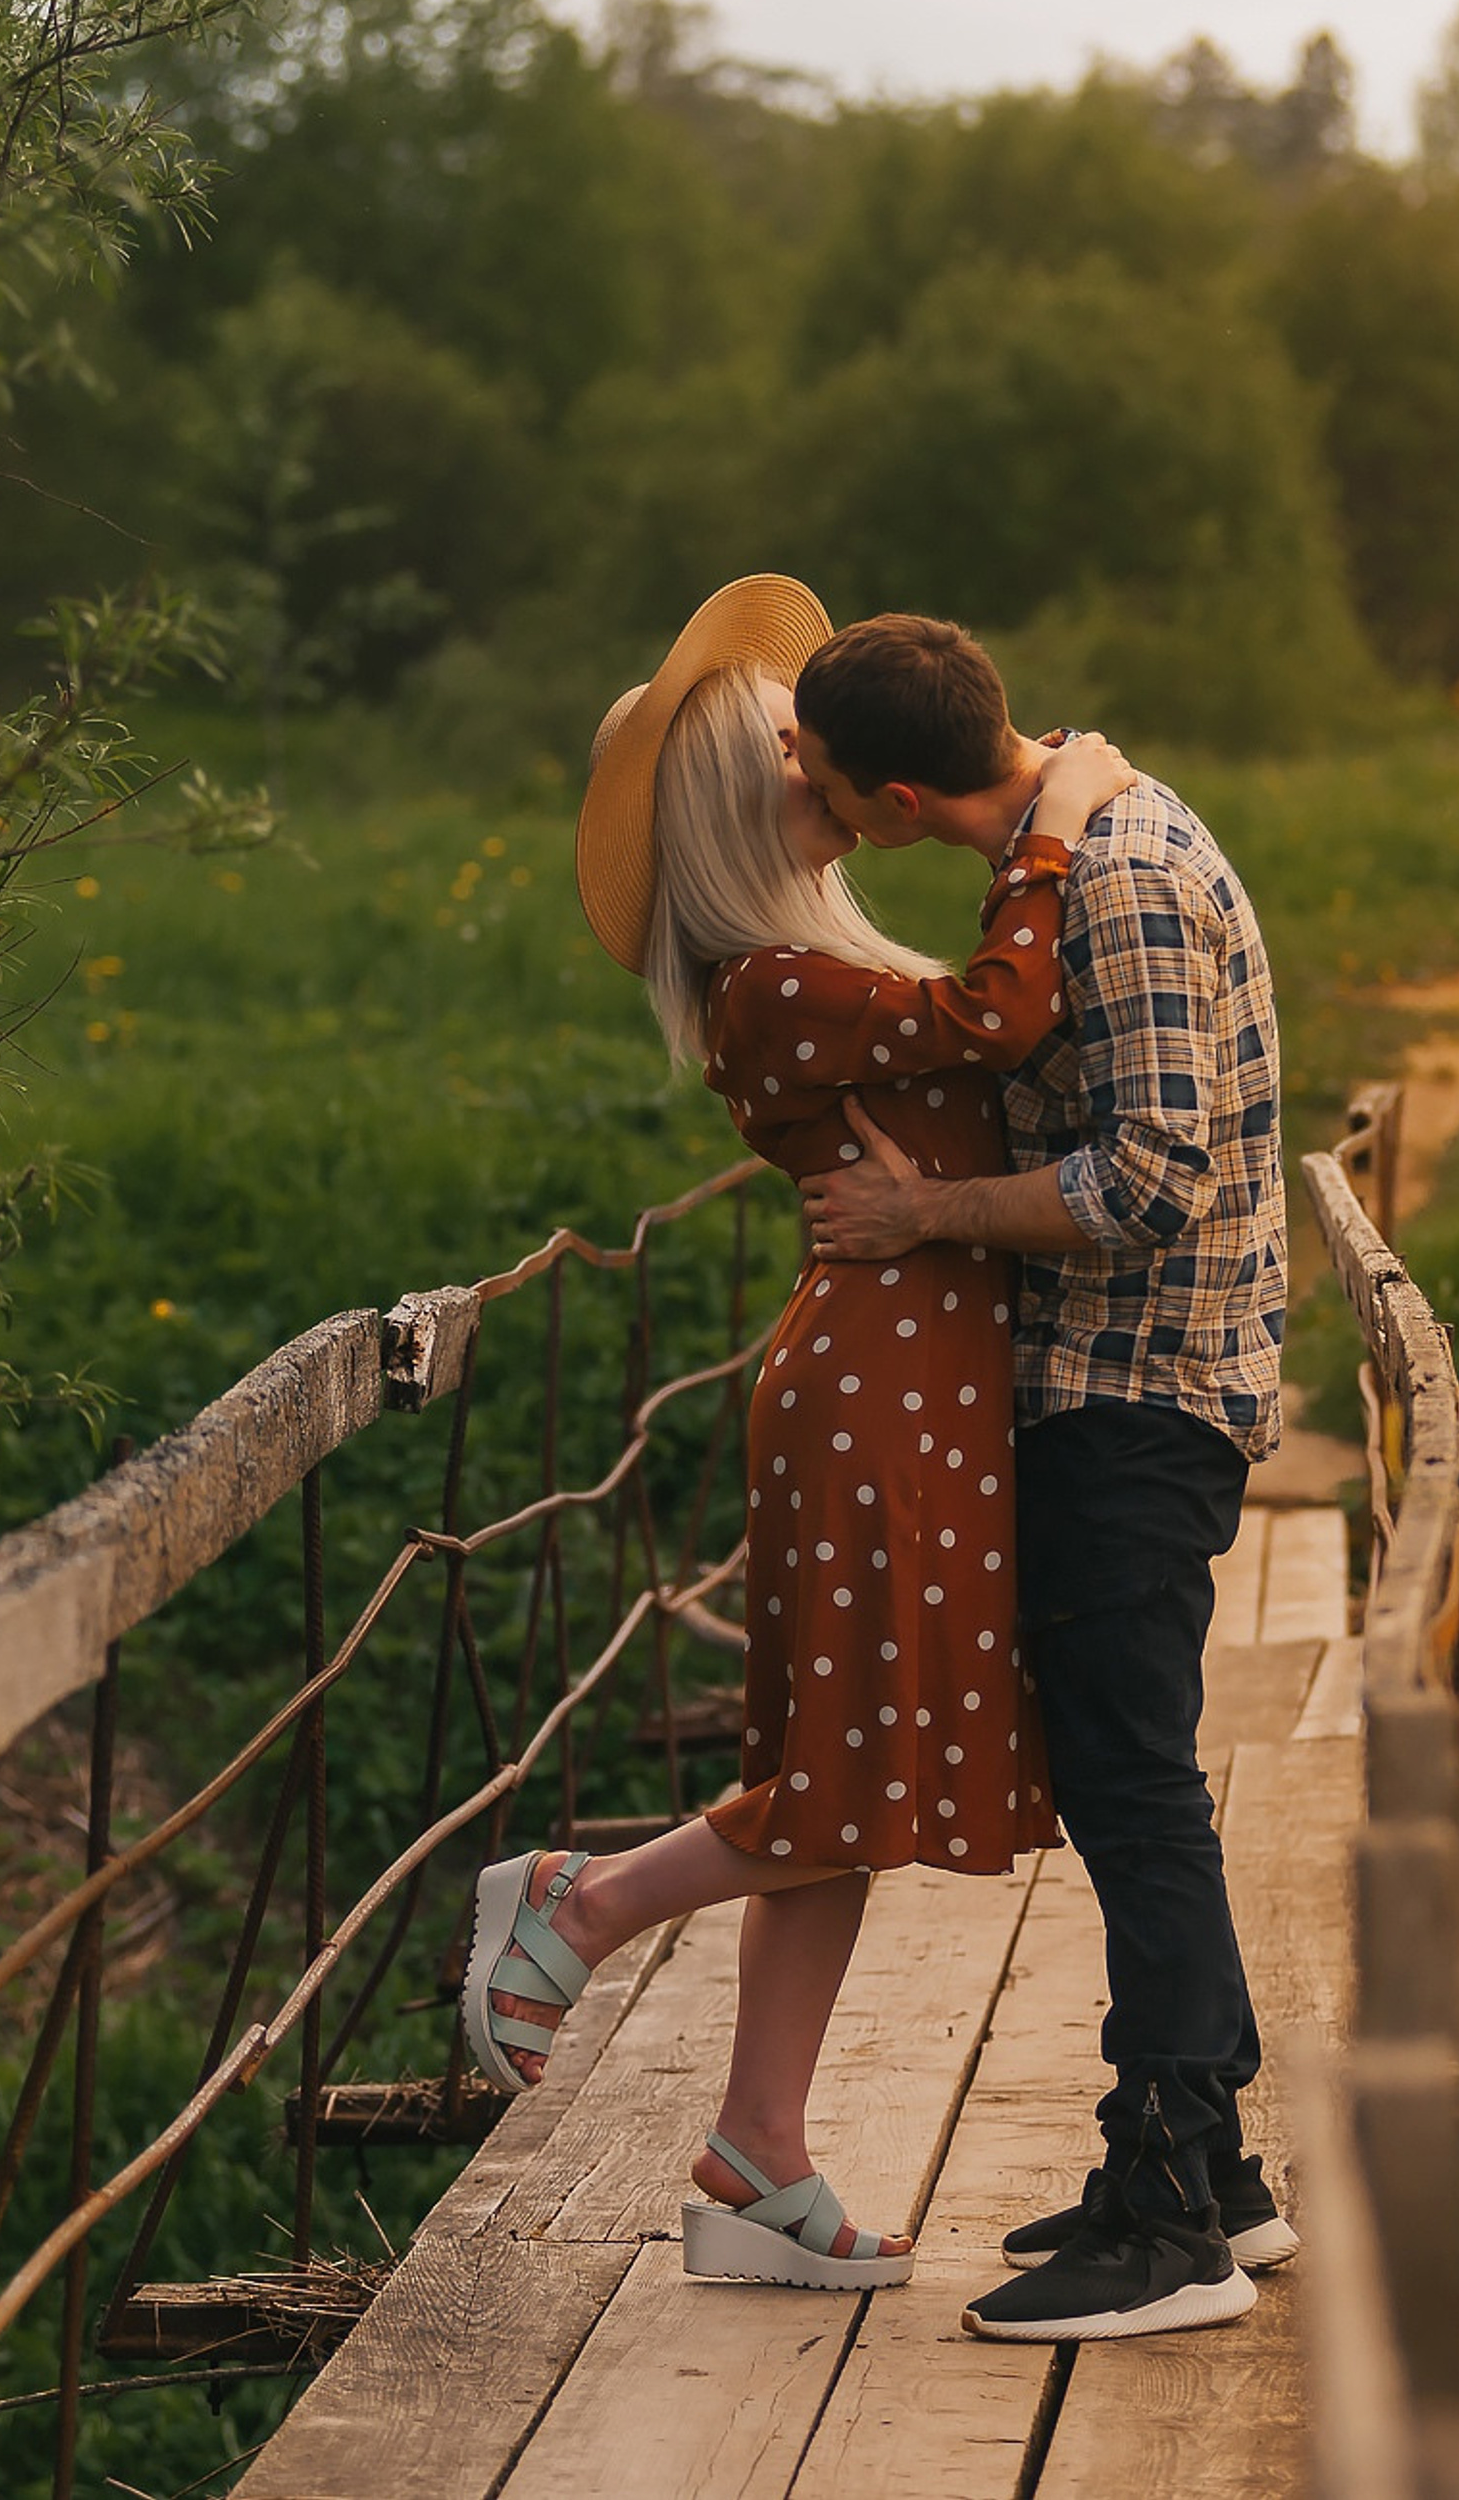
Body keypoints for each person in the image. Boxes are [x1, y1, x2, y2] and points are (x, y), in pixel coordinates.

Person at [460, 575, 1132, 2295]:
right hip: (875, 1400)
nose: (811, 757)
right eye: (785, 750)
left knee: (855, 1764)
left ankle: (761, 2149)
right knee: (851, 1774)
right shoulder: (770, 983)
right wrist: (1057, 821)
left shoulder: (818, 961)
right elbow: (1004, 1017)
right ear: (736, 805)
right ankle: (581, 1908)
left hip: (918, 1383)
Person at [793, 612, 1293, 2345]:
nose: (822, 802)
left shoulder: (1119, 874)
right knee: (1134, 1783)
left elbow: (1154, 1172)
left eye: (833, 781)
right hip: (1125, 1387)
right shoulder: (1079, 839)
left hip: (1136, 1396)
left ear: (903, 788)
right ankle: (1210, 2172)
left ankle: (1172, 2230)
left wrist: (922, 1216)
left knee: (1133, 1785)